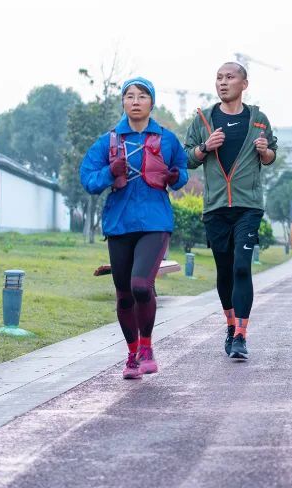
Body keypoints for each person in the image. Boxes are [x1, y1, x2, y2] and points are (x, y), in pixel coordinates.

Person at [80, 77, 188, 379]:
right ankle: (131, 356)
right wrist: (108, 172)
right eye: (130, 96)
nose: (136, 101)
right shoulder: (108, 142)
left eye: (142, 96)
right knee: (125, 294)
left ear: (152, 102)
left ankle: (147, 348)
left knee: (142, 286)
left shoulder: (167, 139)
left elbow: (181, 172)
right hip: (119, 224)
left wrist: (174, 176)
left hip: (155, 221)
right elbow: (88, 179)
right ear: (123, 102)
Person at [184, 61, 277, 360]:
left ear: (244, 84)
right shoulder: (203, 119)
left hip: (248, 206)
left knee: (241, 266)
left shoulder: (259, 119)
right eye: (219, 78)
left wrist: (265, 152)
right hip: (215, 208)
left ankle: (241, 335)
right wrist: (205, 147)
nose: (223, 82)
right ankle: (229, 325)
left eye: (230, 77)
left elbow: (271, 155)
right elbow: (187, 158)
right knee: (224, 270)